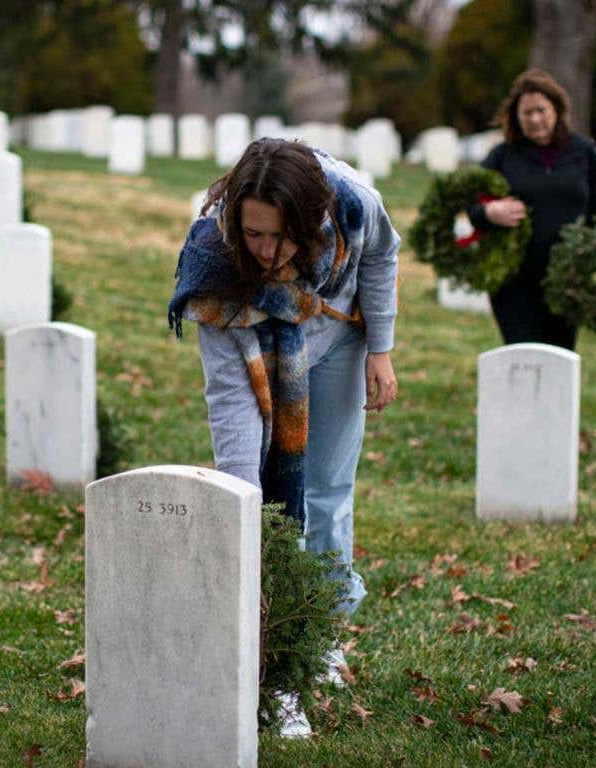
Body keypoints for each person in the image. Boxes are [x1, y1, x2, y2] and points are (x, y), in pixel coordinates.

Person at [168, 138, 400, 736]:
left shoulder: (351, 204)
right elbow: (227, 396)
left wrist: (381, 349)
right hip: (263, 354)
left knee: (326, 491)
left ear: (309, 222)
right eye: (253, 234)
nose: (265, 251)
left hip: (340, 336)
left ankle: (321, 633)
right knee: (267, 503)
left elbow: (382, 255)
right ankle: (274, 644)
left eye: (279, 235)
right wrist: (246, 510)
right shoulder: (214, 266)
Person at [468, 68, 596, 351]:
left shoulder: (584, 154)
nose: (534, 119)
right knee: (522, 356)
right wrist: (489, 212)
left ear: (556, 109)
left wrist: (594, 255)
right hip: (513, 282)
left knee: (561, 357)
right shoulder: (503, 156)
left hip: (566, 278)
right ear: (515, 117)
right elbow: (471, 203)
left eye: (541, 110)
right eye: (526, 112)